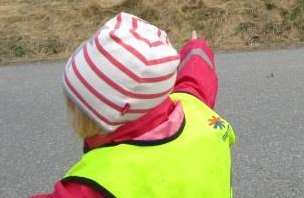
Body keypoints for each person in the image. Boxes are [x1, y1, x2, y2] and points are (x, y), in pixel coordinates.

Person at [31, 12, 235, 198]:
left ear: (100, 116)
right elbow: (196, 80)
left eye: (74, 103)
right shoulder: (195, 109)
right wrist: (196, 47)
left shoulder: (98, 185)